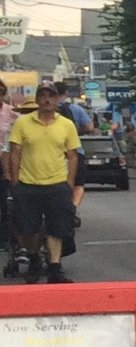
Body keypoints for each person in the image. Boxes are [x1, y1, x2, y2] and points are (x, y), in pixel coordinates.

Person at [7, 82, 80, 282]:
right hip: (28, 183)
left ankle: (55, 267)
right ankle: (34, 260)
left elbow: (73, 155)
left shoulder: (66, 125)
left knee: (57, 228)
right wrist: (15, 180)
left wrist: (69, 182)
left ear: (57, 100)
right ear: (38, 99)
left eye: (51, 96)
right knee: (28, 228)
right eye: (43, 95)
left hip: (57, 184)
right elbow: (14, 152)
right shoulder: (23, 123)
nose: (47, 99)